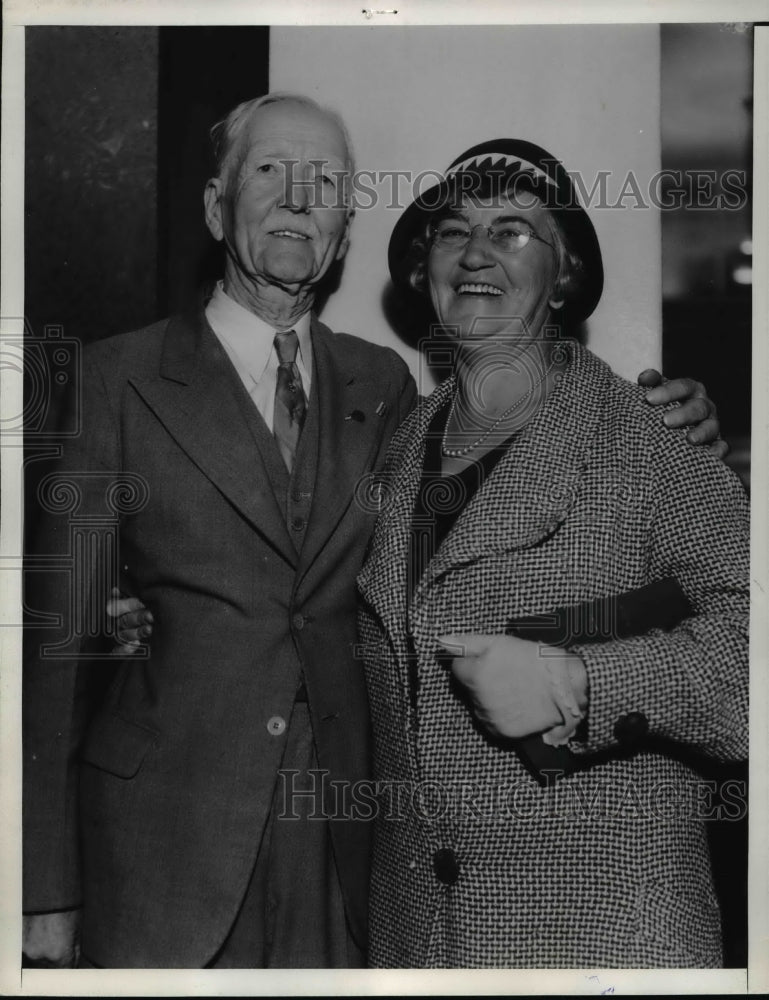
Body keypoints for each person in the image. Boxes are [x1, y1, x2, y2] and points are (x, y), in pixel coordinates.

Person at [23, 95, 723, 970]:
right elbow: (52, 658)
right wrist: (41, 889)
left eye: (323, 183)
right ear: (214, 207)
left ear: (344, 233)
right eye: (270, 171)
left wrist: (682, 427)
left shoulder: (382, 386)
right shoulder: (110, 379)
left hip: (357, 866)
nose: (296, 198)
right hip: (165, 849)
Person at [355, 139, 748, 967]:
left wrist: (583, 683)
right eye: (452, 230)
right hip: (419, 944)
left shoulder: (647, 434)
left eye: (511, 231)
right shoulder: (397, 450)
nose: (473, 253)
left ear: (563, 275)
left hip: (600, 939)